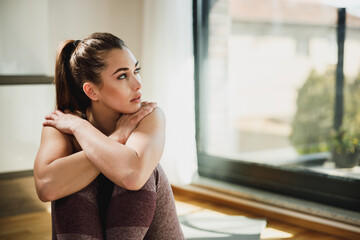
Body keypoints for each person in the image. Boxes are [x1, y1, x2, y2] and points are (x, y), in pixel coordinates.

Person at [33, 32, 185, 240]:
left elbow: (133, 176)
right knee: (69, 181)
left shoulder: (148, 115)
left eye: (136, 71)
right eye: (123, 76)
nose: (138, 84)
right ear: (92, 91)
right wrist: (116, 136)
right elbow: (46, 187)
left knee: (145, 169)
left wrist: (83, 130)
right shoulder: (62, 124)